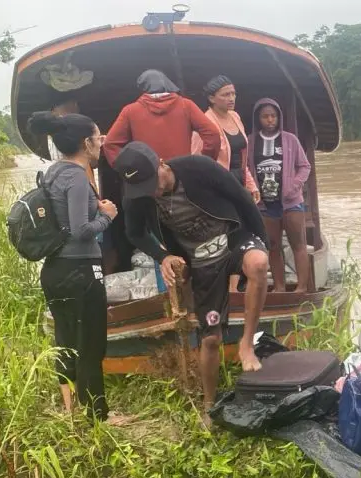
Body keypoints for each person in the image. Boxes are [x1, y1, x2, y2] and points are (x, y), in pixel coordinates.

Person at [115, 142, 269, 422]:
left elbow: (244, 200)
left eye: (153, 183)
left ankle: (247, 343)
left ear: (162, 162)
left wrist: (263, 244)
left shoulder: (198, 167)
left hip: (234, 239)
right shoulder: (137, 198)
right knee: (210, 339)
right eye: (143, 189)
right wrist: (163, 256)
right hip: (201, 263)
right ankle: (209, 405)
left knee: (258, 264)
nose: (152, 192)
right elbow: (135, 233)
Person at [28, 111, 117, 421]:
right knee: (91, 344)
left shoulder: (53, 172)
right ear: (86, 143)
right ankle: (98, 417)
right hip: (81, 269)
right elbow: (80, 230)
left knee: (65, 340)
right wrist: (107, 215)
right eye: (98, 137)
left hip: (55, 270)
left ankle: (70, 411)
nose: (100, 143)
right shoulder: (78, 177)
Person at [247, 99, 313, 293]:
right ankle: (279, 287)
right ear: (258, 119)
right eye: (265, 116)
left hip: (291, 203)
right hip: (265, 205)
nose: (269, 120)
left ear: (279, 118)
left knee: (298, 244)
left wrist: (294, 185)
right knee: (273, 246)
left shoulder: (290, 139)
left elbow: (304, 166)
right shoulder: (250, 141)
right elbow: (246, 169)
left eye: (273, 116)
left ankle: (301, 289)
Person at [103, 70, 220, 165]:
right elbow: (212, 133)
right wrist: (205, 161)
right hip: (182, 174)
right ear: (167, 83)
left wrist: (129, 169)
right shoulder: (186, 105)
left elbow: (110, 143)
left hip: (148, 178)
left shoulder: (130, 111)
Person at [193, 75, 259, 201]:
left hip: (239, 181)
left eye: (233, 94)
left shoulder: (235, 117)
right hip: (218, 186)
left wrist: (251, 185)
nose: (231, 98)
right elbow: (197, 162)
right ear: (212, 98)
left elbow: (242, 160)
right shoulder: (204, 123)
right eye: (225, 95)